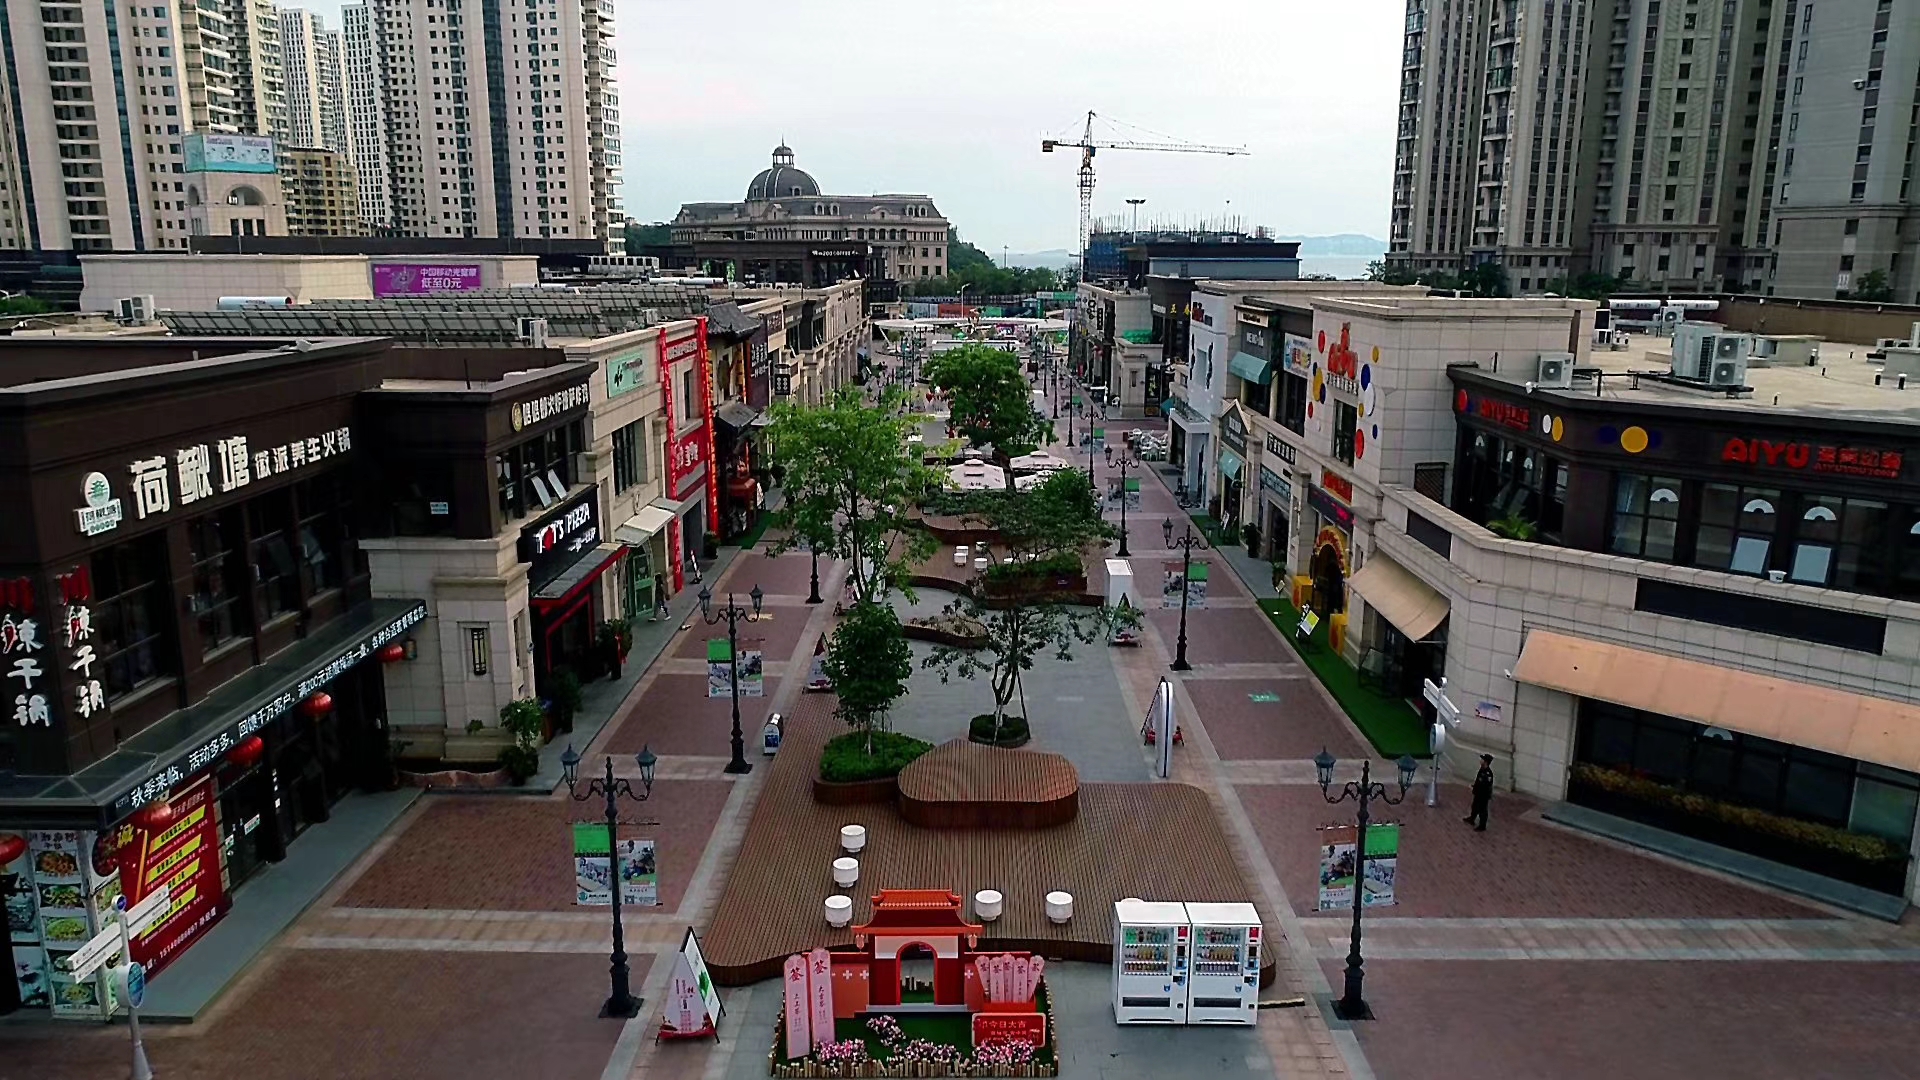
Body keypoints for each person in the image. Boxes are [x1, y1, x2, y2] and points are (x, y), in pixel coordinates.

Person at [1465, 754, 1495, 831]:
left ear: (1486, 762)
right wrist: (1474, 787)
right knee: (1474, 806)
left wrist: (1478, 790)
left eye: (1482, 759)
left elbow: (1486, 786)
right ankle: (1472, 818)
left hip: (1483, 795)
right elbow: (1478, 781)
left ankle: (1482, 825)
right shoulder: (1482, 769)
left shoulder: (1488, 773)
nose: (1480, 760)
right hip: (1478, 793)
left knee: (1482, 810)